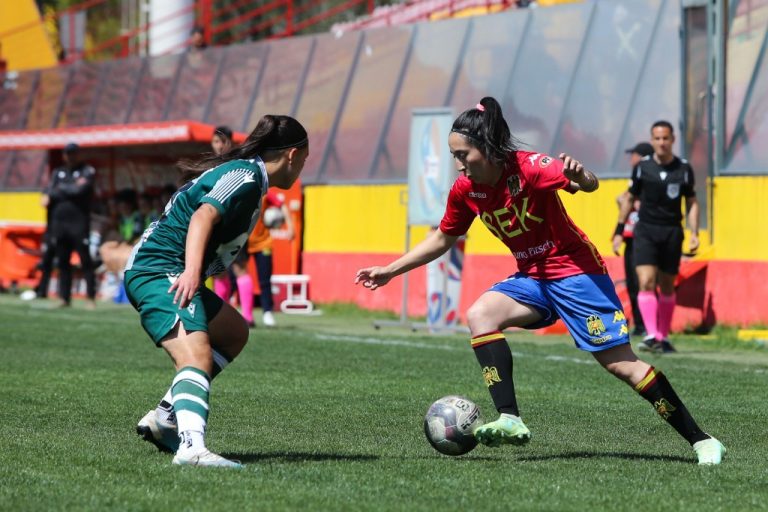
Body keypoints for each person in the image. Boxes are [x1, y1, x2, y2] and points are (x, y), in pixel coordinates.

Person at [355, 97, 724, 465]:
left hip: (577, 274)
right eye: (454, 156)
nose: (459, 164)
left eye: (463, 155)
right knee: (481, 315)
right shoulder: (465, 190)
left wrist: (581, 176)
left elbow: (589, 184)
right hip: (533, 277)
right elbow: (442, 239)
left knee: (622, 365)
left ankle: (702, 440)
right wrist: (390, 270)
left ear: (487, 148)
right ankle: (510, 418)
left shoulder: (530, 167)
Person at [126, 114, 308, 468]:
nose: (303, 168)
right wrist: (193, 272)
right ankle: (191, 448)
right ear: (292, 155)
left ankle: (166, 416)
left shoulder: (251, 177)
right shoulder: (246, 176)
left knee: (234, 333)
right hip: (159, 269)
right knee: (195, 357)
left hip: (166, 267)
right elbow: (203, 216)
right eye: (305, 159)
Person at [612, 121, 699, 354]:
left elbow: (691, 202)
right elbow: (629, 199)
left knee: (667, 285)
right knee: (646, 281)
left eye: (665, 138)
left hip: (672, 231)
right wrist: (619, 231)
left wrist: (694, 233)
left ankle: (663, 336)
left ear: (672, 140)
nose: (661, 143)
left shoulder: (683, 168)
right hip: (646, 231)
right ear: (652, 140)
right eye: (657, 138)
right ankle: (651, 335)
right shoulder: (643, 167)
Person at [48, 142, 97, 309]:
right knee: (63, 261)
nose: (71, 157)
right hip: (60, 223)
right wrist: (68, 187)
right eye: (68, 153)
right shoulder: (58, 172)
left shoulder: (87, 170)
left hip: (79, 223)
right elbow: (50, 192)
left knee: (85, 260)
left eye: (74, 153)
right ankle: (64, 297)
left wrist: (61, 189)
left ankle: (90, 297)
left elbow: (79, 191)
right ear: (64, 155)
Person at [613, 142, 654, 337]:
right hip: (632, 236)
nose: (631, 159)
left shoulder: (646, 171)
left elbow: (628, 200)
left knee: (641, 282)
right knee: (634, 282)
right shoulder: (638, 174)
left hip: (644, 236)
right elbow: (625, 200)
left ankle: (646, 325)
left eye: (634, 154)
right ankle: (641, 324)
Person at [243, 190, 294, 327]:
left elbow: (282, 205)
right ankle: (241, 312)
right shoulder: (241, 190)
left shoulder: (264, 192)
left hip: (263, 243)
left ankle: (267, 312)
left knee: (265, 280)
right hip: (242, 243)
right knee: (236, 278)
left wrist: (290, 227)